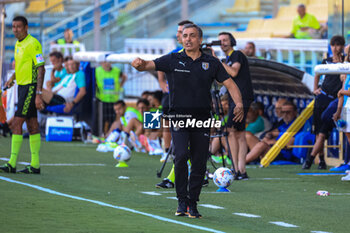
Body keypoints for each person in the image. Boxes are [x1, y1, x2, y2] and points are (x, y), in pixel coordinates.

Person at [131, 24, 244, 218]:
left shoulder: (211, 62)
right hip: (179, 118)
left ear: (200, 40)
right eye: (185, 36)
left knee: (199, 162)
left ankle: (193, 203)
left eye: (192, 36)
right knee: (181, 155)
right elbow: (148, 65)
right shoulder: (173, 59)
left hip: (202, 119)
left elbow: (230, 83)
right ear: (181, 39)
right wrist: (139, 63)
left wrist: (239, 103)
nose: (188, 39)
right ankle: (181, 200)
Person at [0, 16, 45, 174]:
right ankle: (35, 165)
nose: (15, 29)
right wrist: (13, 78)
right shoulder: (18, 44)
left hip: (31, 88)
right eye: (13, 26)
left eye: (18, 26)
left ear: (26, 27)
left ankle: (12, 163)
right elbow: (22, 66)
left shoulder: (33, 43)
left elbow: (41, 68)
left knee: (16, 123)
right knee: (32, 124)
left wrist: (38, 93)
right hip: (22, 87)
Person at [302, 35, 345, 170]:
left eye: (338, 45)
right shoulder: (326, 61)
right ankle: (321, 159)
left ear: (342, 47)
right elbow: (317, 74)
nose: (335, 48)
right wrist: (315, 89)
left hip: (335, 98)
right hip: (323, 96)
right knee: (318, 129)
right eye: (333, 45)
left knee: (323, 130)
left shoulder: (345, 61)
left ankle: (310, 159)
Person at [216, 32, 254, 180]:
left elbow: (233, 71)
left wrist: (217, 62)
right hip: (235, 98)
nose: (222, 43)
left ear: (232, 41)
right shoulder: (228, 58)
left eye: (225, 40)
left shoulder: (237, 55)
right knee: (238, 132)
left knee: (232, 130)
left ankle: (237, 168)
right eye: (220, 41)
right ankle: (239, 170)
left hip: (242, 97)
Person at [158, 20, 194, 163]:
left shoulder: (199, 54)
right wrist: (161, 82)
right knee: (167, 121)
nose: (178, 35)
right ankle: (167, 151)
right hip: (172, 96)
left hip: (192, 100)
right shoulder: (174, 53)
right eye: (179, 32)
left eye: (181, 32)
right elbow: (159, 64)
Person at [95, 61, 127, 134]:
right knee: (102, 119)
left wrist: (120, 86)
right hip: (102, 100)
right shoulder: (97, 71)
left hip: (113, 100)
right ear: (101, 63)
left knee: (111, 119)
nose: (106, 64)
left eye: (108, 62)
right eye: (104, 62)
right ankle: (101, 133)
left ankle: (109, 134)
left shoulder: (116, 71)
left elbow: (124, 77)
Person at [333, 50, 350, 181]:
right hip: (346, 108)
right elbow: (342, 94)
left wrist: (342, 91)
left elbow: (343, 92)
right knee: (348, 139)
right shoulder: (346, 71)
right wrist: (338, 111)